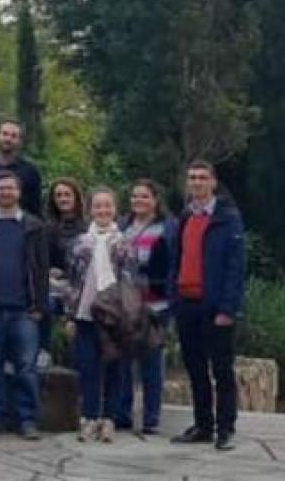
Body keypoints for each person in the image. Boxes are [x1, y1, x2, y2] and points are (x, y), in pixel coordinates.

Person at [167, 160, 245, 452]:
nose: (197, 182)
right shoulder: (186, 217)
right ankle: (203, 425)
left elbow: (235, 267)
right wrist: (174, 298)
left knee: (222, 369)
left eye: (202, 177)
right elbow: (177, 259)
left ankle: (225, 428)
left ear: (213, 182)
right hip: (187, 304)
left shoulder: (228, 219)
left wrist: (228, 308)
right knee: (195, 368)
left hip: (215, 306)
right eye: (192, 178)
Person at [0, 172, 50, 440]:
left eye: (10, 188)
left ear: (19, 192)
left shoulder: (34, 226)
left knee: (26, 368)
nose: (5, 192)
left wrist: (40, 304)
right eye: (0, 188)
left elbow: (42, 269)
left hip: (24, 309)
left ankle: (28, 420)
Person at [64, 187, 134, 443]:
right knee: (88, 367)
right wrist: (69, 315)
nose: (103, 211)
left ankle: (109, 419)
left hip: (114, 318)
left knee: (115, 369)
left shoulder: (124, 243)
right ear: (90, 210)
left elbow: (130, 281)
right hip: (85, 314)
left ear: (115, 209)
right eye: (98, 206)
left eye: (107, 206)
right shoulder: (80, 244)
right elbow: (73, 283)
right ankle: (89, 418)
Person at [117, 179, 171, 435]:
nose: (138, 201)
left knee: (152, 362)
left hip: (155, 305)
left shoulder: (167, 228)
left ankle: (151, 417)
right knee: (124, 362)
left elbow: (171, 265)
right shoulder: (122, 227)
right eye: (135, 196)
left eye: (144, 196)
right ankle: (123, 414)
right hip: (126, 305)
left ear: (155, 200)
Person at [44, 178, 89, 361]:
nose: (63, 199)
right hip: (56, 285)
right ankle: (45, 351)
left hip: (83, 286)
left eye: (67, 194)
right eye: (58, 195)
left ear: (76, 197)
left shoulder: (88, 227)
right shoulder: (47, 228)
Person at [0, 119, 44, 219]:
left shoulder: (30, 171)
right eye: (5, 134)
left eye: (14, 136)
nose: (8, 139)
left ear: (20, 141)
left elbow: (35, 208)